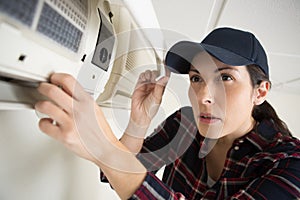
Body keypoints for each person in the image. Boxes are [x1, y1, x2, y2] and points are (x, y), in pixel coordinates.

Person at [35, 27, 300, 199]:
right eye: (196, 78)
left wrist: (107, 150)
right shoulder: (185, 125)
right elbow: (115, 174)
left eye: (225, 78)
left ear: (260, 92)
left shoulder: (289, 163)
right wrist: (139, 122)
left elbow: (117, 166)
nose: (205, 96)